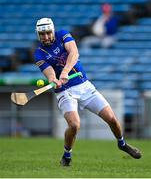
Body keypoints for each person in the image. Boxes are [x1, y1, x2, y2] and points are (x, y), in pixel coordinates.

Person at [34, 17, 142, 167]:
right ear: (38, 35)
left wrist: (64, 72)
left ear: (52, 31)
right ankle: (67, 155)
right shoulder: (39, 53)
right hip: (65, 91)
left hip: (84, 85)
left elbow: (74, 52)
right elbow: (50, 73)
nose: (45, 37)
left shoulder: (63, 34)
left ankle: (122, 144)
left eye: (47, 33)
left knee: (111, 119)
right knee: (74, 125)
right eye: (42, 34)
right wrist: (54, 81)